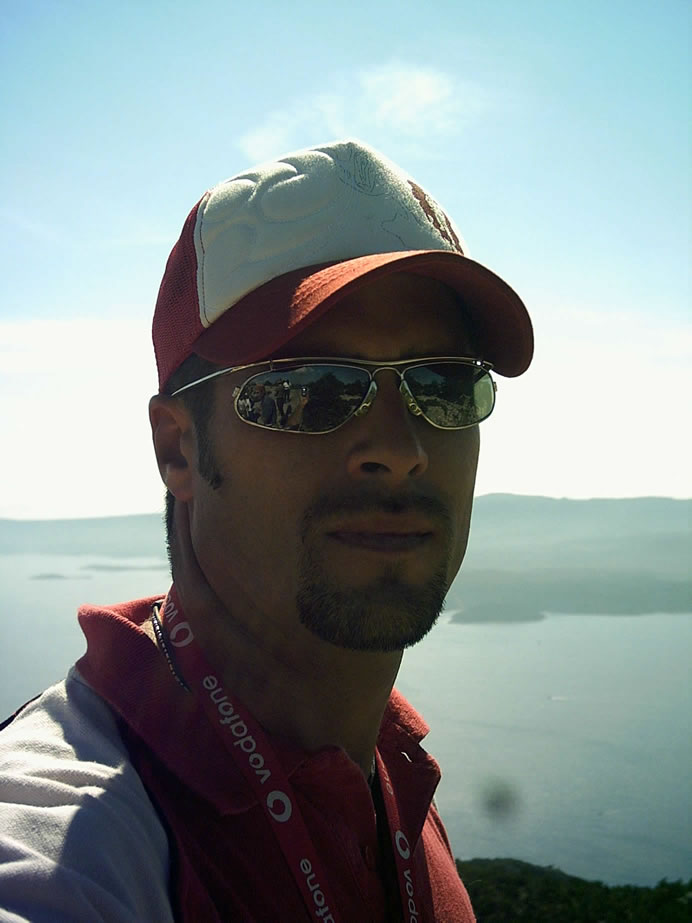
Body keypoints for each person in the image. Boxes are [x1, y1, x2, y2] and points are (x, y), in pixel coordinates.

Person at [0, 139, 533, 922]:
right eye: (312, 389)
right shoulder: (79, 833)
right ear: (178, 448)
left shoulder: (395, 785)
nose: (400, 448)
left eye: (443, 384)